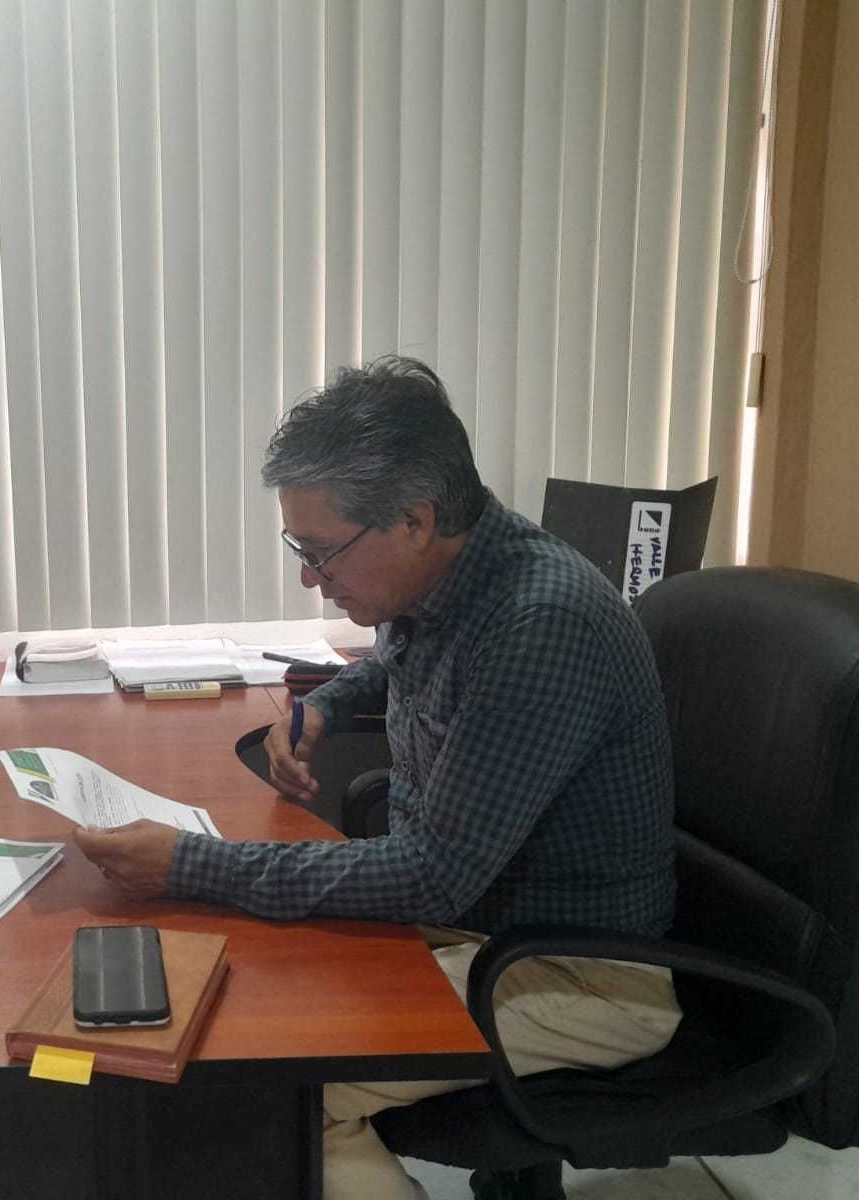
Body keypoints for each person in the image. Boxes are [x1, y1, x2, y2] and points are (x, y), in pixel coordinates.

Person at [74, 357, 681, 1200]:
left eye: (321, 553)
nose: (309, 578)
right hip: (475, 929)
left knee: (276, 1086)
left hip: (579, 973)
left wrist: (188, 863)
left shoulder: (538, 623)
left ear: (414, 521)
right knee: (247, 991)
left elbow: (434, 875)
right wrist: (323, 707)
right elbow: (393, 661)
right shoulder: (450, 575)